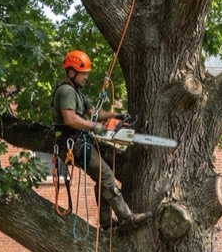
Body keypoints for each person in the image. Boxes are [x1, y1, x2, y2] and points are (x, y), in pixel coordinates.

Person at [52, 50, 151, 228]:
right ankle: (127, 218)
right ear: (72, 72)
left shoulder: (77, 92)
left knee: (103, 178)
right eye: (83, 74)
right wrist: (93, 126)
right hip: (72, 143)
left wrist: (117, 115)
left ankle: (106, 222)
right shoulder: (66, 91)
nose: (86, 78)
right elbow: (70, 118)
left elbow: (94, 113)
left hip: (79, 142)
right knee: (106, 175)